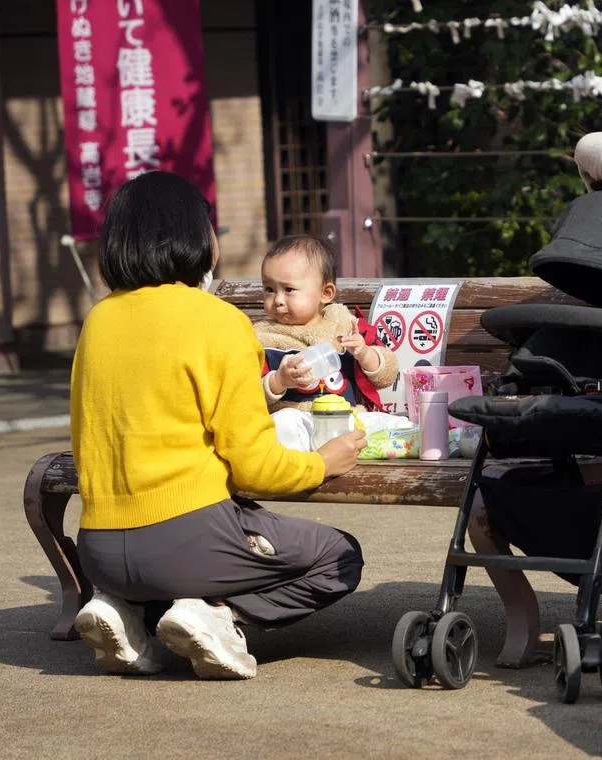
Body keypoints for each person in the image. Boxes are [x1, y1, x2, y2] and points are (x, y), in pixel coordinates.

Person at [71, 171, 368, 680]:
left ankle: (124, 609)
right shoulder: (218, 320)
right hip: (188, 541)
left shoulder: (97, 321)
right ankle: (216, 616)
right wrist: (322, 462)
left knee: (166, 561)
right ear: (193, 237)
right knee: (340, 557)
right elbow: (254, 467)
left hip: (96, 547)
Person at [254, 234, 400, 451]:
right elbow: (247, 394)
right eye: (269, 289)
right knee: (281, 424)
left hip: (348, 420)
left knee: (393, 425)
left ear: (326, 293)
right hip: (300, 422)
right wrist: (279, 381)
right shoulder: (262, 338)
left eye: (289, 290)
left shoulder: (346, 325)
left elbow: (387, 374)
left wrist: (365, 354)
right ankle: (304, 467)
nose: (278, 300)